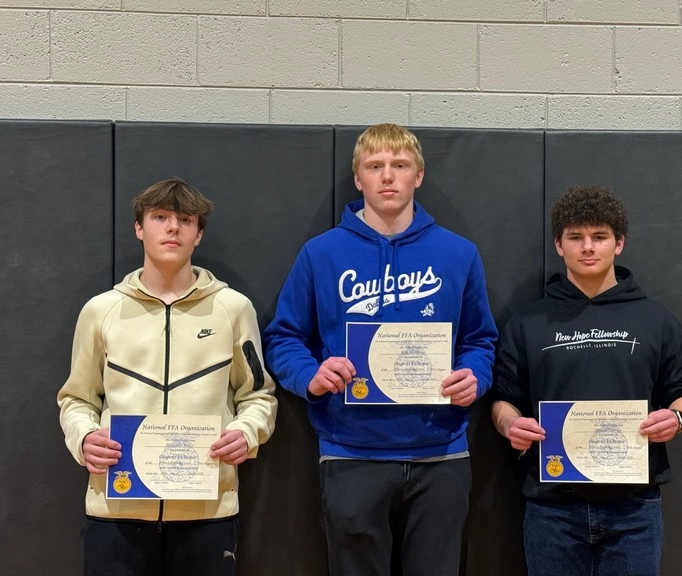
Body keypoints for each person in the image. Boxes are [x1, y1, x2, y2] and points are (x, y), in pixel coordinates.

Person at [262, 123, 498, 576]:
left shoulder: (458, 254)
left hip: (440, 453)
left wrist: (474, 375)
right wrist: (310, 376)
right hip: (352, 452)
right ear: (359, 179)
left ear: (419, 176)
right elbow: (283, 337)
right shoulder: (320, 254)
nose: (387, 176)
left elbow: (479, 339)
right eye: (375, 167)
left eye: (399, 165)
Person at [57, 177, 278, 576]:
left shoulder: (233, 309)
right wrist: (85, 438)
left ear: (199, 234)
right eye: (160, 217)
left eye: (185, 219)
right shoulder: (100, 311)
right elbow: (76, 400)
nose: (173, 227)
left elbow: (259, 396)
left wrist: (246, 433)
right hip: (116, 509)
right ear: (139, 229)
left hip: (208, 511)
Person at [491, 185, 682, 576]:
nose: (588, 247)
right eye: (576, 237)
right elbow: (504, 399)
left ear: (618, 243)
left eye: (599, 237)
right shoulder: (528, 323)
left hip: (634, 509)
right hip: (552, 507)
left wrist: (676, 419)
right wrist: (509, 425)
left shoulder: (656, 321)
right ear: (559, 244)